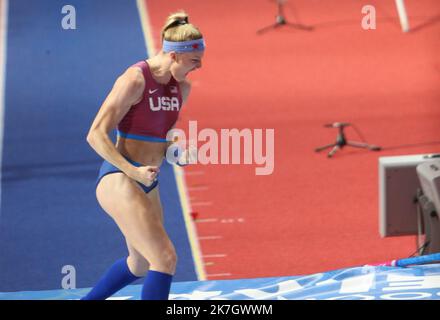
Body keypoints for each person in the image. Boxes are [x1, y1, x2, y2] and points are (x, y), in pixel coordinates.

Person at [82, 11, 205, 300]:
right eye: (194, 61)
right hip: (119, 179)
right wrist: (132, 170)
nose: (200, 66)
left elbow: (164, 136)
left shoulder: (181, 88)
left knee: (139, 264)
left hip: (147, 183)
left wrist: (178, 152)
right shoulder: (135, 79)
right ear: (174, 56)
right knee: (165, 258)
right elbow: (95, 134)